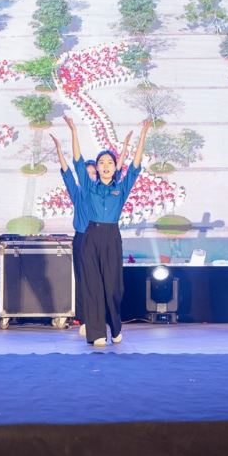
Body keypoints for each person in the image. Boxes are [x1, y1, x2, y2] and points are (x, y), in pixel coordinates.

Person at [65, 116, 151, 347]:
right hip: (91, 237)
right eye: (101, 162)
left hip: (112, 238)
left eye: (109, 163)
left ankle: (115, 326)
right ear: (97, 167)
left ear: (114, 168)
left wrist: (142, 136)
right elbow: (77, 160)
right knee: (92, 287)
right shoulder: (89, 186)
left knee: (113, 287)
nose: (105, 166)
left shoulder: (121, 188)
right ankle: (97, 334)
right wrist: (74, 132)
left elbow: (135, 166)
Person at [51, 130, 132, 337]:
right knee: (85, 281)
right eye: (86, 173)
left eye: (92, 173)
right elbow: (67, 172)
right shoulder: (79, 192)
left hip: (104, 237)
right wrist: (60, 150)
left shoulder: (102, 190)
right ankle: (86, 319)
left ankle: (106, 322)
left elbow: (118, 170)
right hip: (83, 239)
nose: (90, 175)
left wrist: (124, 149)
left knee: (109, 283)